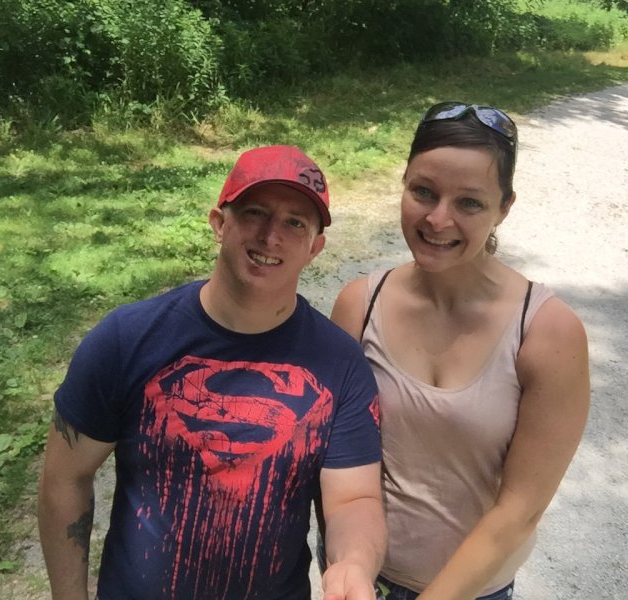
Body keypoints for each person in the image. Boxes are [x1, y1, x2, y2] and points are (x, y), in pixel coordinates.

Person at [37, 145, 386, 600]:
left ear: (314, 248)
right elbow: (65, 477)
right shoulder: (127, 339)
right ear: (220, 223)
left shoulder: (340, 364)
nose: (271, 236)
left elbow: (353, 499)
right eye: (255, 213)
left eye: (295, 223)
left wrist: (354, 563)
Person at [330, 103, 590, 599]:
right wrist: (350, 566)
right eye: (423, 192)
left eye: (469, 202)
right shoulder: (359, 306)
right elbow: (335, 458)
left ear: (504, 208)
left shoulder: (546, 333)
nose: (437, 219)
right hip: (358, 579)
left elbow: (520, 510)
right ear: (403, 184)